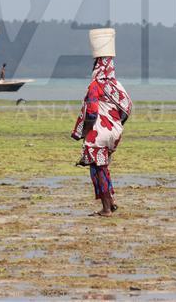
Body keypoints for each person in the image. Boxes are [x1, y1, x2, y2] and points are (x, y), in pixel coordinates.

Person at [72, 28, 132, 217]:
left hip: (99, 133)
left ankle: (106, 208)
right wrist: (116, 124)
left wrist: (86, 131)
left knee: (98, 168)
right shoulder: (117, 85)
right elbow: (127, 108)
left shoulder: (95, 85)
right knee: (101, 164)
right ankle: (111, 202)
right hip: (115, 132)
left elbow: (91, 111)